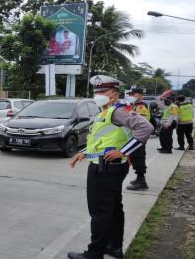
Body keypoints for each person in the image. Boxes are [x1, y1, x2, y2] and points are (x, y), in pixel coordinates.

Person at [68, 75, 153, 259]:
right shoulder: (105, 112)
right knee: (113, 209)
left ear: (114, 94)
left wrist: (123, 151)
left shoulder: (117, 111)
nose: (97, 94)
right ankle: (113, 247)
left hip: (106, 168)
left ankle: (94, 253)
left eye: (102, 91)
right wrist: (83, 153)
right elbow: (101, 141)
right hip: (106, 165)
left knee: (99, 212)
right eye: (96, 91)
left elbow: (146, 128)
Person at [126, 88, 153, 191]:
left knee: (138, 157)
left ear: (141, 95)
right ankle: (139, 178)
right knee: (135, 157)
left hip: (139, 136)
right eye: (130, 94)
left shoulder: (141, 106)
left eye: (134, 94)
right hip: (136, 136)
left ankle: (141, 181)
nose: (131, 96)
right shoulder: (135, 106)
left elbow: (140, 123)